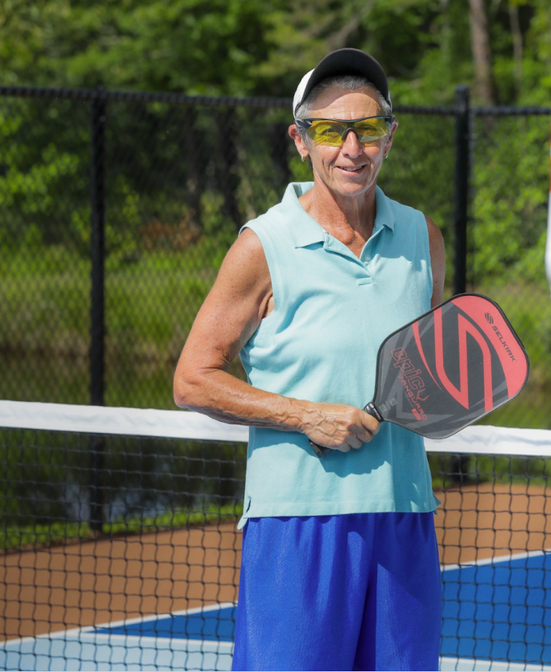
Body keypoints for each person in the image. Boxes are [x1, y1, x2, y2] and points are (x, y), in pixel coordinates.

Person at [173, 48, 446, 671]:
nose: (352, 147)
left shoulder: (421, 237)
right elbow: (193, 377)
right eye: (330, 130)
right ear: (301, 141)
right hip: (298, 526)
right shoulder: (260, 244)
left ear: (389, 136)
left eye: (368, 128)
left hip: (404, 517)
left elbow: (428, 370)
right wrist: (306, 416)